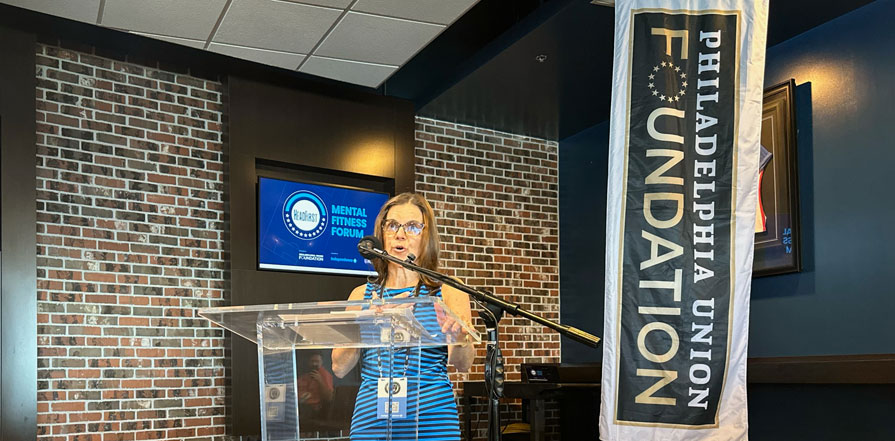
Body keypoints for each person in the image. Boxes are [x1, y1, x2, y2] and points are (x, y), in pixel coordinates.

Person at [332, 192, 475, 441]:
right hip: (371, 421)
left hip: (432, 421)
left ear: (426, 236)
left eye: (412, 227)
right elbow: (339, 368)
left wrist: (459, 338)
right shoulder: (361, 295)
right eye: (392, 225)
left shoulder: (448, 289)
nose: (400, 234)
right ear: (382, 234)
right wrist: (362, 326)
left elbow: (463, 364)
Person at [297, 351, 334, 419]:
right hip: (301, 405)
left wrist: (320, 381)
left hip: (315, 409)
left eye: (317, 361)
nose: (314, 364)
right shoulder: (305, 375)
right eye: (312, 361)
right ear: (308, 362)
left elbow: (329, 398)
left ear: (321, 362)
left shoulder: (324, 375)